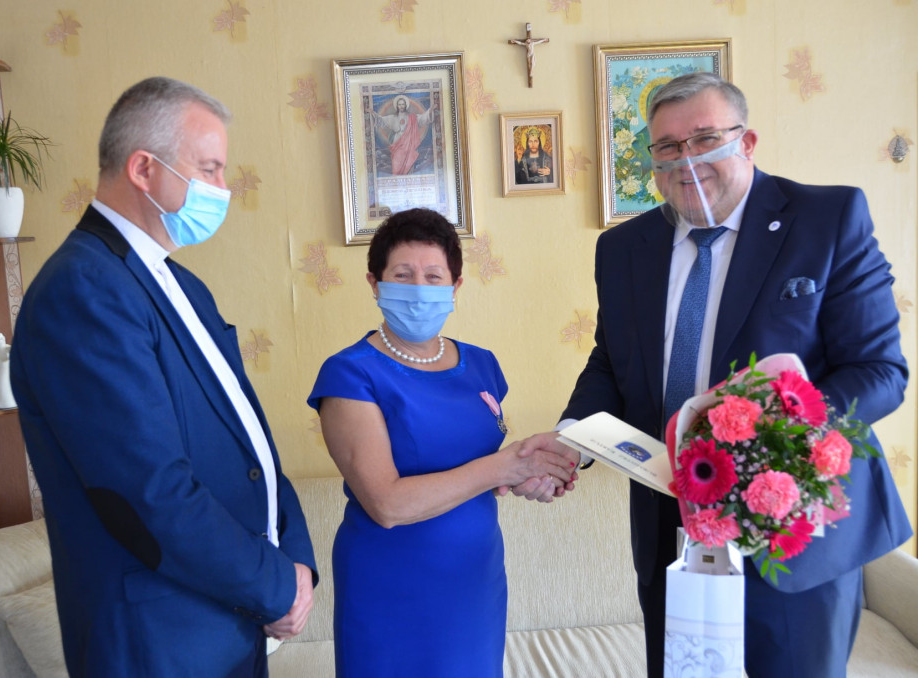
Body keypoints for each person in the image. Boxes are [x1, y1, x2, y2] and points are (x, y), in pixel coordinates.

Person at [522, 72, 912, 678]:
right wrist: (571, 438)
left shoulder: (827, 217)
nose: (687, 160)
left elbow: (880, 372)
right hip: (673, 531)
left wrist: (768, 435)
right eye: (668, 146)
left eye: (705, 139)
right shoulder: (623, 249)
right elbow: (611, 361)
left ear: (746, 142)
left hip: (795, 528)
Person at [10, 77, 317, 677]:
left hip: (227, 624)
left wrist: (296, 559)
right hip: (159, 642)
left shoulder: (179, 284)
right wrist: (277, 586)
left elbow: (248, 444)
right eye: (209, 169)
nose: (223, 189)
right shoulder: (82, 291)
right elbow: (148, 492)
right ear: (144, 169)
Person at [307, 207, 574, 678]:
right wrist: (504, 467)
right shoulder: (349, 373)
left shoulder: (482, 364)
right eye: (402, 275)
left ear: (455, 286)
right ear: (374, 283)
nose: (419, 288)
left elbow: (478, 468)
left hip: (476, 578)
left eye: (434, 276)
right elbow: (386, 504)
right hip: (390, 585)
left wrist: (530, 476)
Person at [370, 95, 435, 175]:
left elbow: (422, 118)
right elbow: (381, 120)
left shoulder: (412, 117)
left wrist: (430, 111)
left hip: (409, 145)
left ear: (406, 105)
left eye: (403, 104)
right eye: (399, 104)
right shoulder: (393, 118)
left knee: (409, 164)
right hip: (397, 145)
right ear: (397, 106)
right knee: (397, 165)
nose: (401, 106)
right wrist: (373, 114)